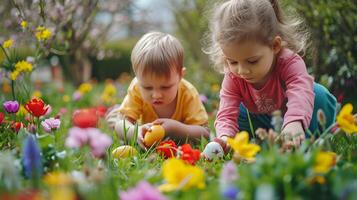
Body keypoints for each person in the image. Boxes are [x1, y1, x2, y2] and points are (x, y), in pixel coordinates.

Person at [203, 0, 337, 151]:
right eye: (232, 62)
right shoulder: (233, 77)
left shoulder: (289, 62)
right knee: (240, 112)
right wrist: (225, 137)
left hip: (300, 113)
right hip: (264, 118)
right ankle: (265, 141)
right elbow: (227, 112)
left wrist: (294, 122)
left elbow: (300, 92)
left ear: (275, 46)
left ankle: (305, 138)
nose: (242, 70)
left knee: (317, 93)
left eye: (252, 61)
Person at [106, 32, 210, 149]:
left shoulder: (188, 93)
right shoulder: (136, 87)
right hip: (144, 132)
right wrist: (135, 132)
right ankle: (116, 113)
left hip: (177, 144)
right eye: (147, 87)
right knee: (117, 121)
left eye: (165, 87)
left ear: (180, 75)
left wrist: (175, 128)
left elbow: (204, 134)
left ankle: (116, 111)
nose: (156, 95)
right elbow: (121, 124)